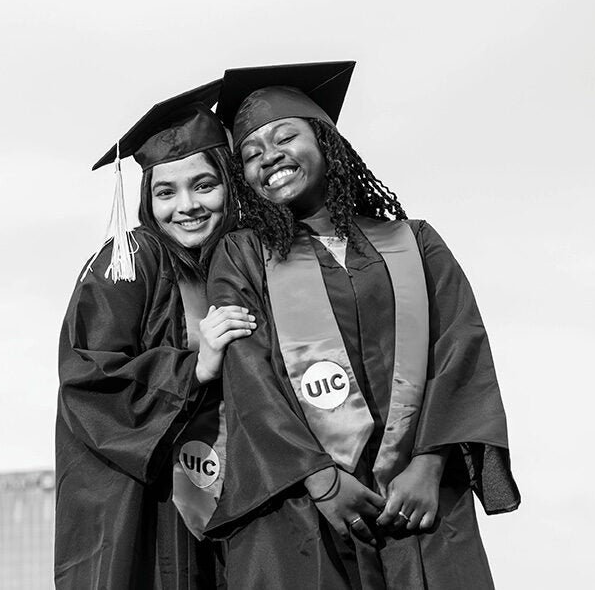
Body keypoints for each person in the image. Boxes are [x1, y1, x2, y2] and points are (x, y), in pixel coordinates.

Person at [202, 61, 520, 589]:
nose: (269, 158)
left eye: (285, 137)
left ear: (326, 142)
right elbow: (247, 370)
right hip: (302, 503)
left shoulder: (414, 242)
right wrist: (319, 477)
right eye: (251, 155)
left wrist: (430, 464)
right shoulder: (244, 254)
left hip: (417, 504)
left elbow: (460, 347)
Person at [55, 81, 256, 589]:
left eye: (204, 185)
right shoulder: (127, 263)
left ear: (231, 185)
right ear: (147, 198)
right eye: (165, 192)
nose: (185, 206)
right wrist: (195, 367)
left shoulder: (248, 263)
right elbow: (89, 376)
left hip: (239, 501)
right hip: (153, 509)